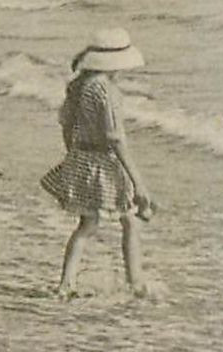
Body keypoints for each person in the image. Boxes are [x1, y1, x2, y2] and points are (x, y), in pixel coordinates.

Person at [40, 29, 155, 298]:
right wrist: (138, 182)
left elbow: (66, 125)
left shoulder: (79, 85)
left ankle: (66, 284)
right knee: (129, 220)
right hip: (105, 161)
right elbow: (116, 138)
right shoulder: (107, 90)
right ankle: (135, 282)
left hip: (81, 157)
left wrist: (74, 156)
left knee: (88, 224)